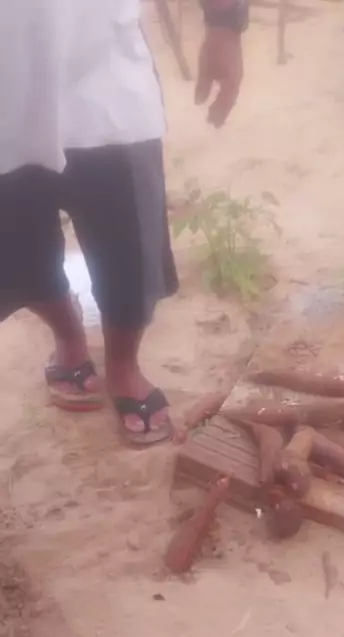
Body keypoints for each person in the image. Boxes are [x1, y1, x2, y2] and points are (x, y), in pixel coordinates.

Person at [0, 0, 247, 445]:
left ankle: (122, 364)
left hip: (104, 71)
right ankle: (67, 332)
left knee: (129, 247)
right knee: (17, 247)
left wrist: (224, 24)